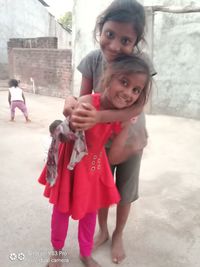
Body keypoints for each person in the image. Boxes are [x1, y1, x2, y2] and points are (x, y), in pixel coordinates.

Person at [63, 0, 157, 264]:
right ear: (100, 29)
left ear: (136, 41)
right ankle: (102, 229)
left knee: (125, 192)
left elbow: (137, 106)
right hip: (98, 142)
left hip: (131, 140)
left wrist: (101, 116)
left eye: (126, 40)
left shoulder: (141, 63)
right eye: (110, 34)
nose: (115, 45)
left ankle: (118, 234)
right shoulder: (93, 59)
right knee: (101, 189)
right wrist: (72, 105)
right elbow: (84, 99)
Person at [38, 54, 151, 267]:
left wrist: (129, 133)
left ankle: (85, 253)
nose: (128, 93)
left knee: (89, 214)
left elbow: (114, 157)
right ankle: (57, 252)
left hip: (94, 167)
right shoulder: (89, 103)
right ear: (108, 79)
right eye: (124, 82)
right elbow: (71, 128)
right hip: (71, 166)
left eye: (136, 90)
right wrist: (73, 104)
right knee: (61, 211)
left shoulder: (120, 117)